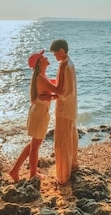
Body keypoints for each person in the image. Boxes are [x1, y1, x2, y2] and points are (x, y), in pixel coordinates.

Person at [9, 49, 61, 182]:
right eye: (43, 57)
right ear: (39, 63)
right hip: (40, 113)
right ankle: (32, 174)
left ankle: (15, 170)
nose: (46, 57)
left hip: (38, 111)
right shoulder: (41, 78)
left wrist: (52, 96)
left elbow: (53, 89)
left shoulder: (42, 76)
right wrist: (54, 95)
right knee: (35, 146)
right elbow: (59, 90)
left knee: (33, 144)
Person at [49, 38, 78, 185]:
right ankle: (72, 167)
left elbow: (67, 91)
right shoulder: (68, 64)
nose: (55, 57)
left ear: (62, 51)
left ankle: (63, 175)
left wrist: (52, 94)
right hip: (70, 107)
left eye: (55, 53)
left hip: (65, 109)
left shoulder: (65, 66)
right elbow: (66, 87)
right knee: (70, 137)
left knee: (63, 141)